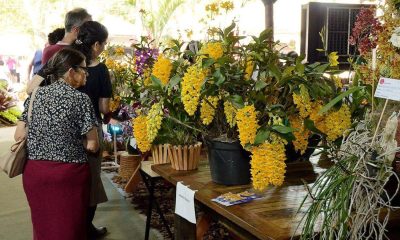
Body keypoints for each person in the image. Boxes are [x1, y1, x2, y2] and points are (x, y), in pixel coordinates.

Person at [14, 48, 99, 240]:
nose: (87, 74)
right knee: (70, 230)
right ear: (71, 71)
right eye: (84, 70)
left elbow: (19, 135)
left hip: (36, 174)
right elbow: (92, 145)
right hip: (69, 176)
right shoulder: (80, 99)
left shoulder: (35, 96)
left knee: (44, 230)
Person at [71, 20, 111, 239]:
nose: (103, 48)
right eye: (103, 44)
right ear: (96, 45)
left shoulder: (67, 64)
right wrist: (111, 114)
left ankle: (73, 226)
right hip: (91, 131)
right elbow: (104, 107)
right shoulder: (100, 69)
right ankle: (86, 229)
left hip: (67, 129)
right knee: (92, 182)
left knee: (72, 178)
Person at [26, 8, 91, 94]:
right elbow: (43, 81)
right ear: (76, 30)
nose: (91, 30)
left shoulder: (84, 48)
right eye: (88, 27)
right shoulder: (51, 50)